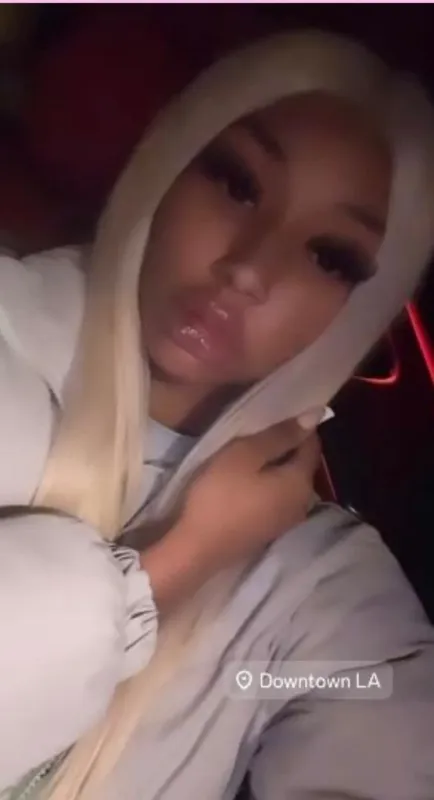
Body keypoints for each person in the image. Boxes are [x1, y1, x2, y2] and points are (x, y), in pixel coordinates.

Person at [1, 28, 434, 800]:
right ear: (169, 164)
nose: (249, 268)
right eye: (237, 184)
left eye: (328, 256)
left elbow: (372, 706)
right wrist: (181, 561)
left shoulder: (323, 588)